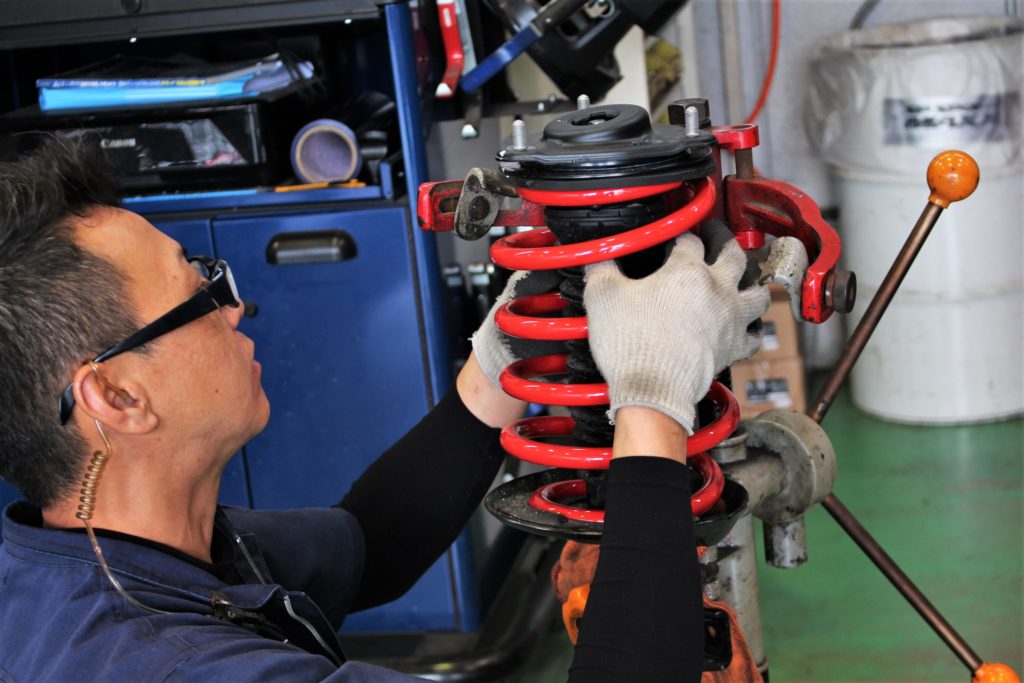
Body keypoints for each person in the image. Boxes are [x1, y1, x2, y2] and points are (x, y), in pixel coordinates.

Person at [0, 138, 769, 682]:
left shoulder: (92, 561)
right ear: (118, 395)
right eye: (198, 290)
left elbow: (370, 544)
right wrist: (654, 397)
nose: (235, 306)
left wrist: (501, 364)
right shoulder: (167, 667)